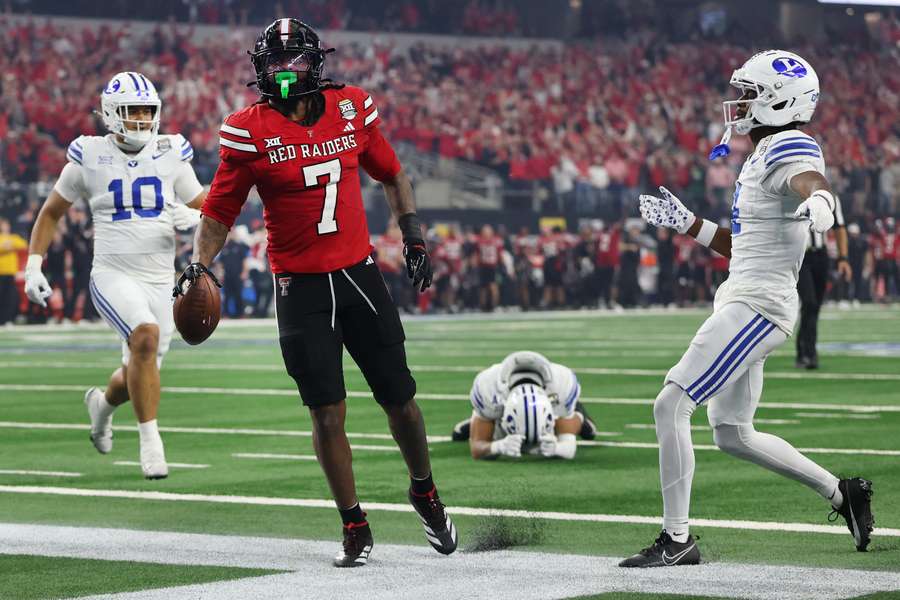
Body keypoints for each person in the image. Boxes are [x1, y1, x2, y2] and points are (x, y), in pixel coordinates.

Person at [186, 19, 456, 567]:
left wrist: (414, 236)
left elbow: (393, 174)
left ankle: (424, 490)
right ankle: (353, 523)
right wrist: (198, 266)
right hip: (300, 287)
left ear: (316, 63)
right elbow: (218, 211)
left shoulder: (351, 108)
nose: (285, 74)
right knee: (327, 413)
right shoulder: (247, 130)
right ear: (260, 69)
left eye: (294, 63)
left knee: (400, 400)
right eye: (274, 65)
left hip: (359, 274)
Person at [621, 51, 873, 568]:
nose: (739, 103)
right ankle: (842, 494)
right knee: (732, 433)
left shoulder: (787, 145)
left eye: (750, 94)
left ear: (781, 101)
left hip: (759, 306)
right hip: (747, 295)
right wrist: (690, 224)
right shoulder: (761, 155)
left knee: (671, 403)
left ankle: (676, 539)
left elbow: (813, 181)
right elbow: (746, 246)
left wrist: (822, 203)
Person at [24, 71, 205, 479]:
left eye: (146, 110)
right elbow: (51, 212)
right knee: (145, 336)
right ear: (110, 113)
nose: (141, 118)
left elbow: (207, 202)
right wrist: (33, 265)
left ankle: (101, 407)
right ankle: (151, 442)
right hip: (112, 273)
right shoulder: (89, 155)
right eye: (132, 110)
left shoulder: (170, 152)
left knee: (139, 366)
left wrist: (195, 215)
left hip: (161, 279)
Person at [451, 351, 599, 459]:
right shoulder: (489, 388)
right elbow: (477, 449)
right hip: (497, 411)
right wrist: (498, 446)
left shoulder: (561, 385)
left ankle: (581, 418)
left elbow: (569, 448)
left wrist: (558, 449)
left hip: (555, 404)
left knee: (589, 433)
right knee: (467, 439)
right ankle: (484, 421)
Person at [796, 194, 850, 369]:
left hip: (821, 255)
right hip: (799, 256)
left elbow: (839, 227)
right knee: (809, 302)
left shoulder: (830, 196)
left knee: (815, 306)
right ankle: (809, 353)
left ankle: (803, 349)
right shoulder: (792, 193)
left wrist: (843, 258)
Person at [0, 218, 27, 325]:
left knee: (10, 297)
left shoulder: (13, 237)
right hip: (1, 272)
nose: (4, 227)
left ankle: (7, 319)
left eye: (6, 225)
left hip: (11, 272)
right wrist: (5, 247)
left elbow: (23, 244)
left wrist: (9, 245)